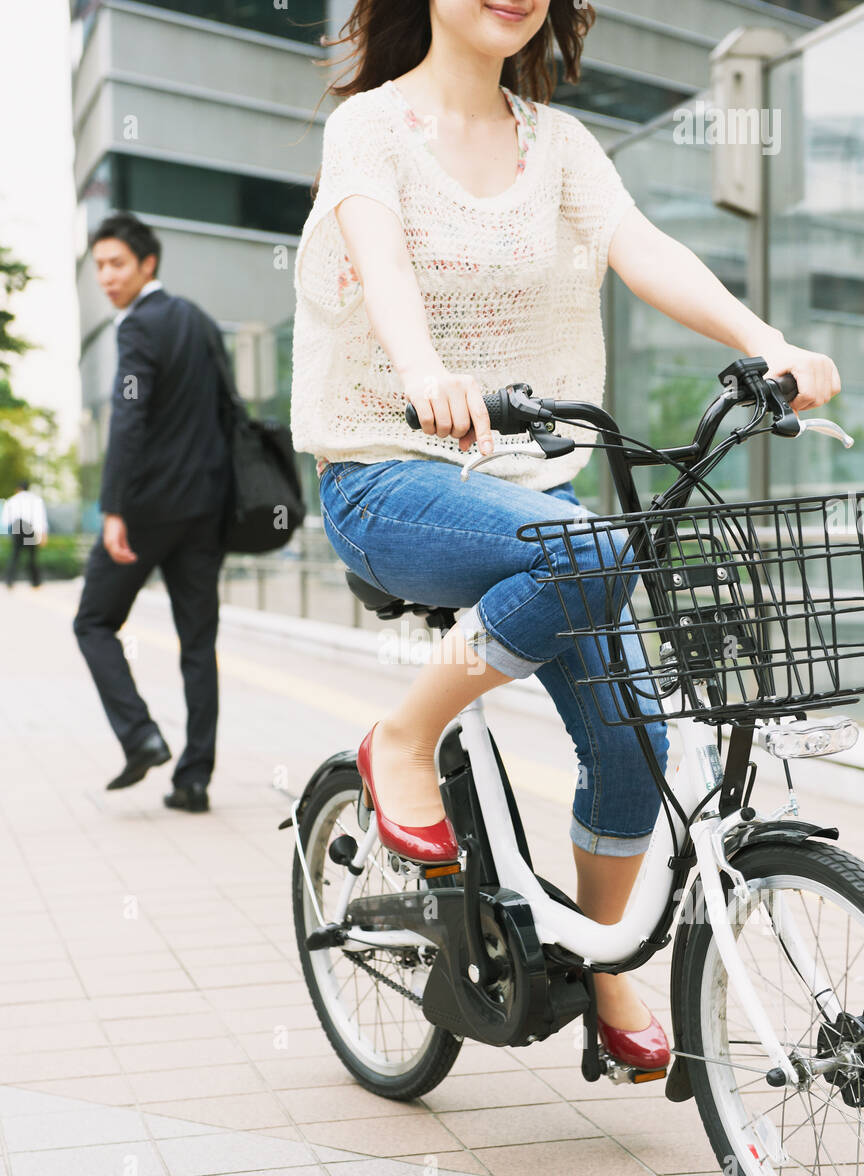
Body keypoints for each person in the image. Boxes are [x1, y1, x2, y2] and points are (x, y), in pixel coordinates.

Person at [290, 0, 842, 1069]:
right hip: (388, 477)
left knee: (638, 748)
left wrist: (765, 339)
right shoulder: (369, 129)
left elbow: (642, 249)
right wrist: (424, 376)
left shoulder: (561, 144)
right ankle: (402, 738)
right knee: (588, 549)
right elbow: (385, 264)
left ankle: (603, 954)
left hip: (535, 494)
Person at [73, 213, 233, 812]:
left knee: (91, 621)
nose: (105, 277)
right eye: (98, 268)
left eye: (116, 264)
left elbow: (130, 416)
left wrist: (113, 508)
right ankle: (193, 780)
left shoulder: (139, 325)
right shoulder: (197, 321)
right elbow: (226, 412)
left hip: (147, 512)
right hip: (205, 511)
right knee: (198, 643)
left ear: (148, 264)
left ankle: (140, 734)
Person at [3, 479, 47, 587]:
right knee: (32, 556)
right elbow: (39, 518)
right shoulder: (35, 499)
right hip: (28, 527)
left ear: (18, 489)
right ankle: (35, 582)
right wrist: (42, 534)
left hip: (17, 526)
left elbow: (6, 519)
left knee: (15, 555)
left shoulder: (12, 500)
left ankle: (9, 581)